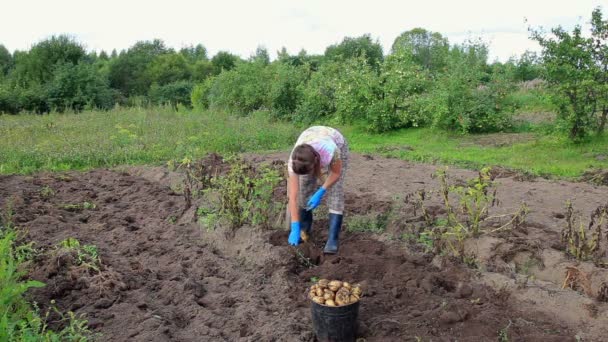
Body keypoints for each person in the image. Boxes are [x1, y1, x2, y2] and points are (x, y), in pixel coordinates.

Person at [286, 126, 349, 254]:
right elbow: (293, 197)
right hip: (310, 145)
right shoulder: (295, 162)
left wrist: (321, 191)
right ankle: (305, 230)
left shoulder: (332, 151)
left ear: (315, 163)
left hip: (336, 142)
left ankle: (332, 240)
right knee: (304, 191)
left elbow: (335, 174)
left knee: (335, 191)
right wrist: (295, 226)